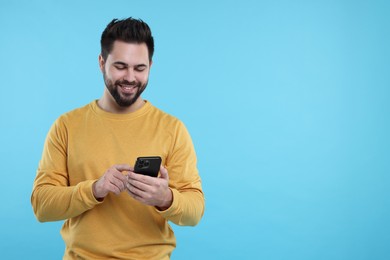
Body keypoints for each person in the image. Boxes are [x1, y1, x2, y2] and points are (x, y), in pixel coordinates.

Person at [31, 17, 205, 259]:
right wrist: (94, 190)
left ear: (150, 67)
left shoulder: (173, 129)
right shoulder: (66, 126)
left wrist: (165, 198)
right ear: (102, 63)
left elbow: (195, 211)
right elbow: (42, 206)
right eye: (120, 66)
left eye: (140, 68)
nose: (130, 78)